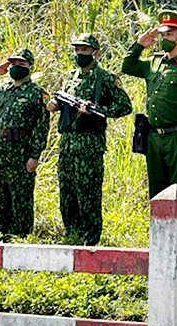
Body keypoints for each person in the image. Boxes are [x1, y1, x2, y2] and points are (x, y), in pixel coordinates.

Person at [43, 34, 133, 246]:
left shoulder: (105, 78)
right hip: (67, 144)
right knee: (67, 195)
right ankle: (72, 237)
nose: (79, 53)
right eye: (77, 49)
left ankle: (90, 242)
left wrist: (96, 109)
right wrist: (56, 105)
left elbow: (124, 106)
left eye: (84, 49)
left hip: (89, 145)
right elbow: (63, 102)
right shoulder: (71, 77)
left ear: (96, 53)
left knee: (88, 195)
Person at [123, 11, 177, 198]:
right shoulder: (154, 63)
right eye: (162, 34)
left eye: (169, 34)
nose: (164, 39)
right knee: (157, 194)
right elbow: (127, 66)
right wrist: (139, 45)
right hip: (154, 138)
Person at [0, 48, 49, 237]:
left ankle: (22, 238)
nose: (17, 66)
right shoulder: (3, 91)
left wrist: (35, 156)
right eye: (13, 63)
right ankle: (1, 235)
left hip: (20, 155)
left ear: (30, 66)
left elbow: (41, 127)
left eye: (21, 63)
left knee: (21, 199)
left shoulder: (37, 94)